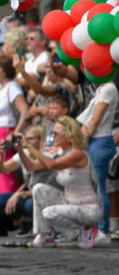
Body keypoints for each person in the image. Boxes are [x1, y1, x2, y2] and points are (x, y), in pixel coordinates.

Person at [29, 117, 102, 248]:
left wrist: (29, 146)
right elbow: (32, 166)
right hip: (70, 204)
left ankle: (86, 229)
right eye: (52, 132)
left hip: (88, 208)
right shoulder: (60, 152)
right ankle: (45, 234)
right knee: (38, 188)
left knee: (48, 213)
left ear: (68, 136)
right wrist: (18, 149)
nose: (52, 135)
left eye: (56, 133)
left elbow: (51, 164)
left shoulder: (77, 154)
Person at [0, 126, 62, 237]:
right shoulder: (25, 152)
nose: (27, 142)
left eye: (31, 139)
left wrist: (19, 194)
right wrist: (1, 155)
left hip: (46, 195)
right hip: (30, 192)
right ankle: (17, 222)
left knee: (29, 204)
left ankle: (37, 224)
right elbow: (1, 169)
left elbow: (31, 167)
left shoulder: (48, 154)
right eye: (26, 139)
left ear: (40, 139)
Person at [76, 80, 118, 244]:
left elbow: (95, 120)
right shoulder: (101, 88)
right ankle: (95, 228)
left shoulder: (108, 88)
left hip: (100, 140)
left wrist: (80, 141)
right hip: (95, 141)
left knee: (100, 187)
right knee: (95, 187)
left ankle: (103, 229)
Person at [0, 56, 29, 194]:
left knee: (5, 170)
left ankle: (9, 199)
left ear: (5, 70)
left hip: (5, 131)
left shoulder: (12, 87)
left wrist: (15, 133)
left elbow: (25, 111)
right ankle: (1, 198)